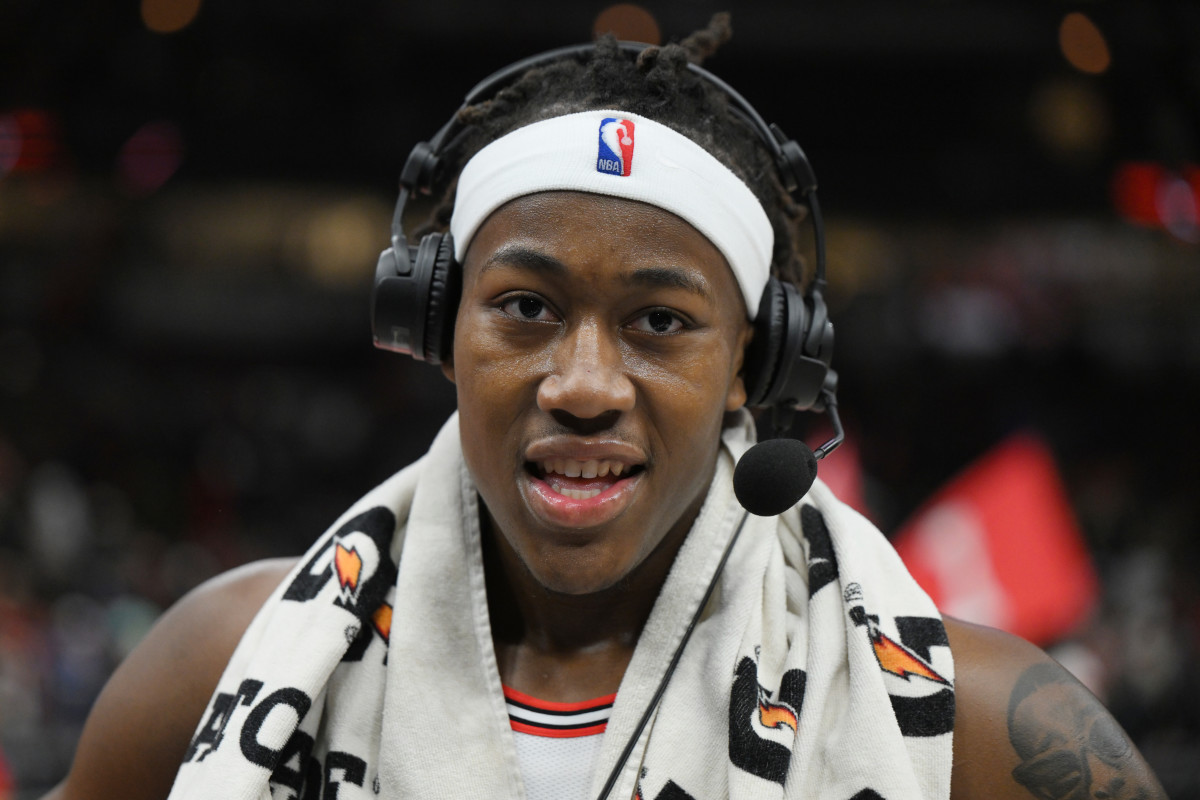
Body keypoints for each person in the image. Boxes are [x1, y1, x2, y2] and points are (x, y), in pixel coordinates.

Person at [44, 16, 1165, 800]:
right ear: (438, 329)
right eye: (526, 306)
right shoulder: (214, 666)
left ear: (754, 362)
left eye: (660, 322)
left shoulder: (981, 723)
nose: (582, 384)